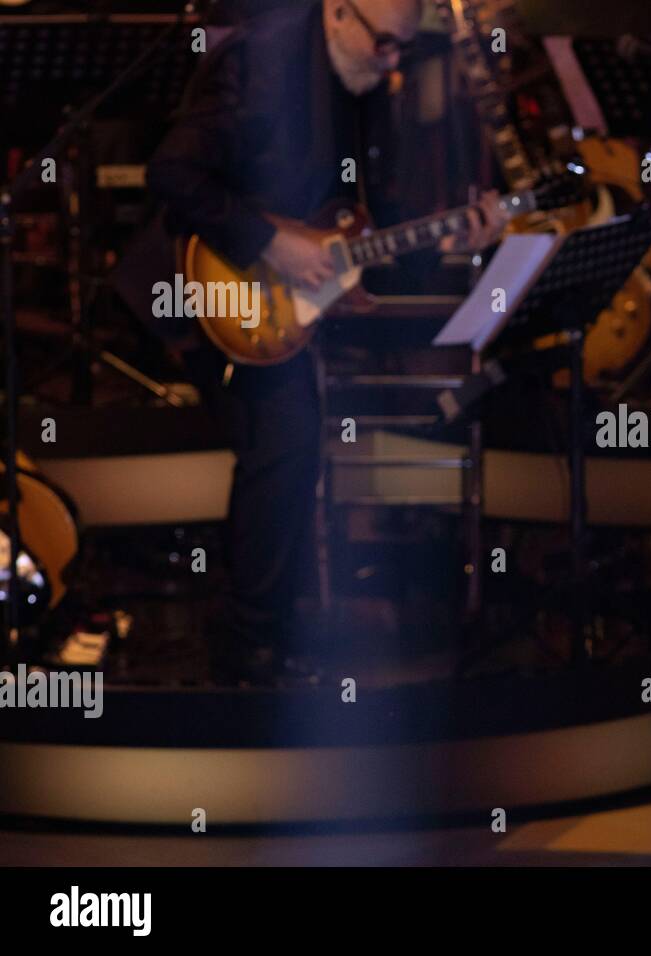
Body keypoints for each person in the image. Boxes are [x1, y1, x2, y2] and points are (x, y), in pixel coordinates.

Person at [144, 0, 508, 684]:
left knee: (290, 447)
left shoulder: (362, 81)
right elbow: (171, 173)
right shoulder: (263, 61)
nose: (393, 61)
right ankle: (250, 649)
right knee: (282, 447)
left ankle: (265, 639)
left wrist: (452, 239)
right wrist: (274, 241)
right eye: (385, 45)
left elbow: (376, 225)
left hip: (281, 305)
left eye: (402, 48)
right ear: (339, 12)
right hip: (206, 285)